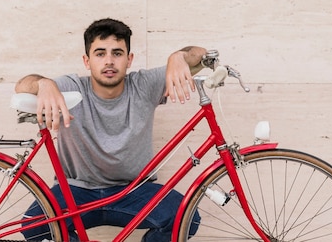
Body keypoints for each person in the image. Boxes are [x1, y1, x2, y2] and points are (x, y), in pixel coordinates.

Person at [15, 18, 208, 242]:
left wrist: (179, 56)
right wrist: (44, 84)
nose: (109, 61)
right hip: (76, 190)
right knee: (33, 226)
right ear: (87, 61)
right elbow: (22, 86)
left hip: (133, 191)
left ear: (129, 59)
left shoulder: (143, 85)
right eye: (100, 53)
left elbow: (202, 55)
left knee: (186, 218)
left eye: (117, 53)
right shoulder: (72, 87)